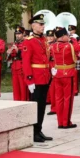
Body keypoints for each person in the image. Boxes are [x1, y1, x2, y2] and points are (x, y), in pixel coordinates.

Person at [22, 14, 54, 143]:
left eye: (43, 24)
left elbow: (47, 57)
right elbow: (26, 62)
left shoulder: (44, 40)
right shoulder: (28, 41)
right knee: (35, 106)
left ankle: (39, 129)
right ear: (33, 25)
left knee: (42, 106)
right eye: (40, 24)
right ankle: (34, 132)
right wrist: (29, 80)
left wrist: (51, 68)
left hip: (45, 77)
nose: (43, 26)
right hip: (35, 78)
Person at [50, 26, 80, 129]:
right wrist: (74, 39)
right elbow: (79, 49)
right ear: (62, 36)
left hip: (57, 74)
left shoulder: (53, 46)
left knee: (59, 98)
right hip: (68, 73)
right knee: (68, 99)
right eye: (67, 35)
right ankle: (66, 122)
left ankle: (59, 122)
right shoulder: (69, 46)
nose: (68, 36)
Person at [7, 26, 29, 101]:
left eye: (19, 34)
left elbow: (26, 55)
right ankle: (16, 102)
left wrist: (18, 51)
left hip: (22, 66)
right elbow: (9, 58)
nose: (17, 35)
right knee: (16, 87)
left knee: (23, 87)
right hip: (14, 66)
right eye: (16, 34)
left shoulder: (26, 43)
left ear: (23, 34)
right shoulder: (14, 43)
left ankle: (24, 102)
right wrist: (8, 53)